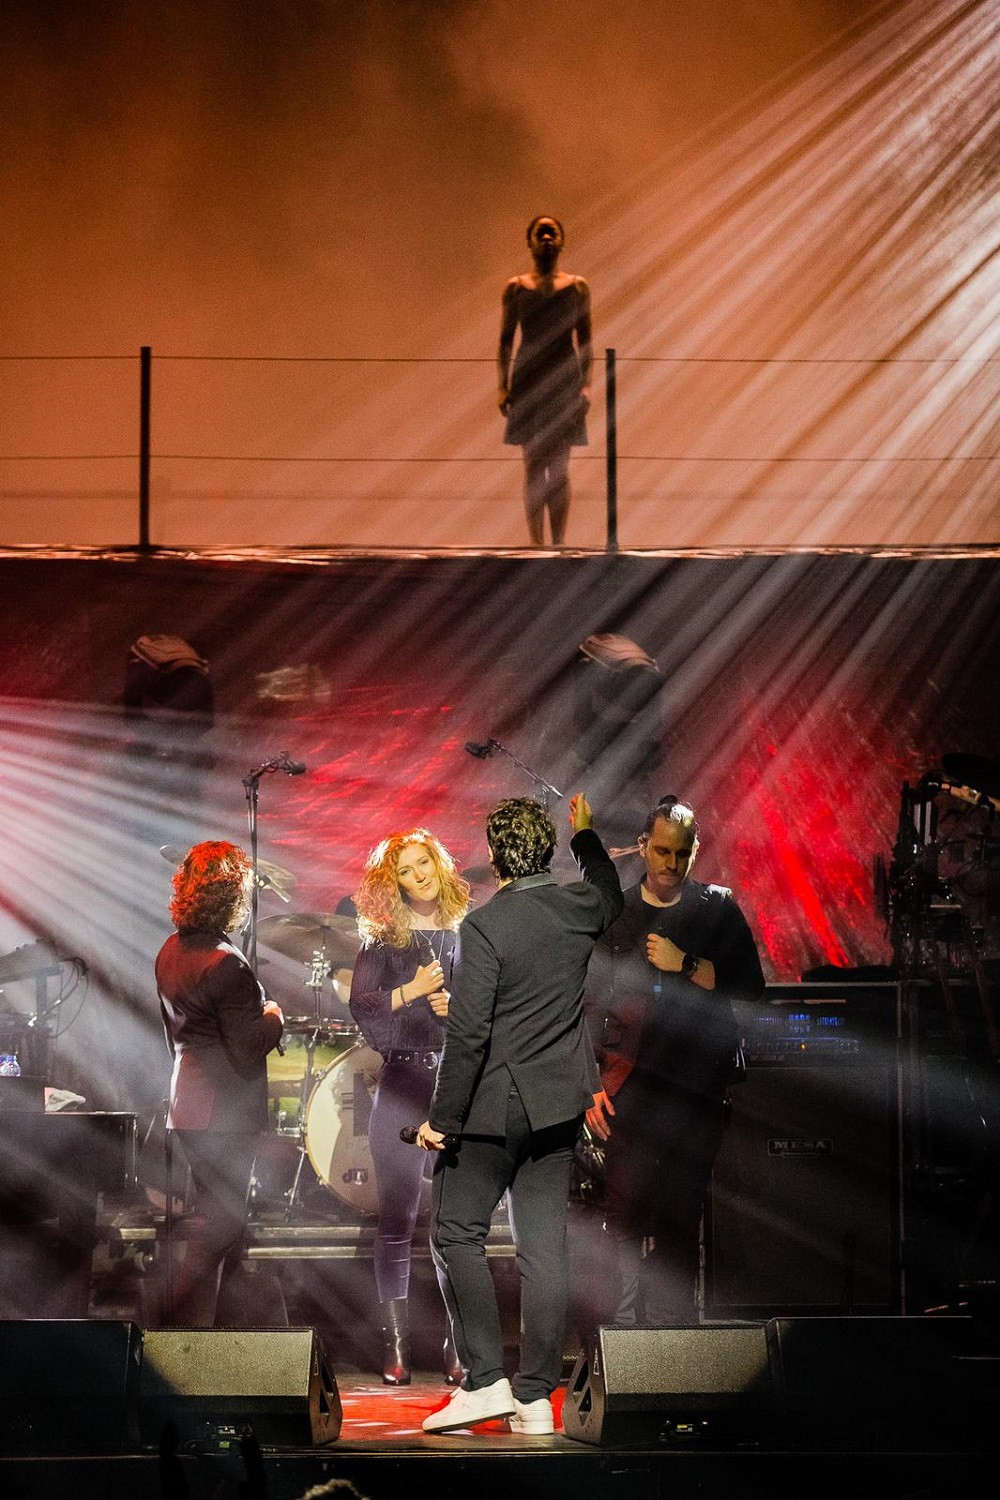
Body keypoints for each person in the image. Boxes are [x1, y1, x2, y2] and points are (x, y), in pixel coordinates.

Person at [415, 793, 623, 1436]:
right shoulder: (580, 906)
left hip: (493, 1109)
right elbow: (609, 889)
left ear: (493, 856)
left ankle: (485, 1382)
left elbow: (468, 1034)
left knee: (456, 1232)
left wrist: (442, 1120)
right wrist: (586, 836)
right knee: (543, 1249)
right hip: (557, 1107)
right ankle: (535, 1397)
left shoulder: (485, 926)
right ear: (548, 851)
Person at [583, 795, 766, 1327]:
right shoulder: (618, 912)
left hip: (696, 1088)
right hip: (629, 1087)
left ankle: (673, 1337)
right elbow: (587, 1004)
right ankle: (621, 1339)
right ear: (643, 847)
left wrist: (686, 964)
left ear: (695, 850)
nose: (671, 863)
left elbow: (751, 987)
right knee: (624, 1212)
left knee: (682, 1214)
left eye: (681, 853)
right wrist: (588, 1085)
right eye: (662, 851)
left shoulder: (716, 908)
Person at [349, 828, 471, 1385]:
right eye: (405, 869)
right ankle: (395, 1344)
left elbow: (492, 1008)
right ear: (391, 881)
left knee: (454, 1225)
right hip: (402, 1083)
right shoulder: (382, 940)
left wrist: (456, 1007)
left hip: (455, 1086)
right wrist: (413, 990)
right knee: (397, 1219)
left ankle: (457, 1342)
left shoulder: (466, 931)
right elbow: (362, 1007)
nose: (418, 875)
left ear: (439, 864)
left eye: (424, 863)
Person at [155, 841, 284, 1326]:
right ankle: (173, 1321)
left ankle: (221, 1331)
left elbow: (174, 1033)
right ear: (233, 897)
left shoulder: (169, 950)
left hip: (187, 1105)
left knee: (222, 1219)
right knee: (224, 1223)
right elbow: (248, 1047)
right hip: (224, 1113)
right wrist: (274, 1016)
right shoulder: (226, 963)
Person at [498, 215, 593, 547]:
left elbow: (586, 339)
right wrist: (503, 386)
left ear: (562, 241)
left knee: (560, 466)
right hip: (528, 377)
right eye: (542, 232)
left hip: (564, 376)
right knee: (533, 465)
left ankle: (559, 543)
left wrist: (586, 385)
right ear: (531, 241)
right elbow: (505, 340)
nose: (548, 237)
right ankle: (536, 543)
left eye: (553, 232)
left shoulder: (577, 287)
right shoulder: (515, 288)